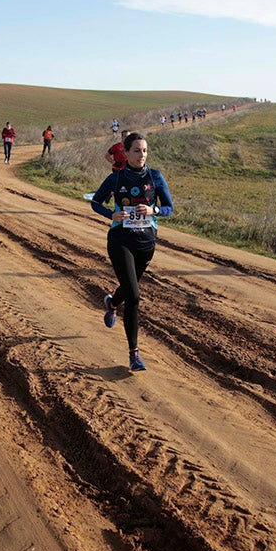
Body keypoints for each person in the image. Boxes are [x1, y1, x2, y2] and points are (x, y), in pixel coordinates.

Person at [90, 132, 174, 372]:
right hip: (120, 241)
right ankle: (134, 354)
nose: (142, 155)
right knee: (135, 296)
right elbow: (96, 202)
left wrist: (153, 209)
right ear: (125, 153)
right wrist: (111, 214)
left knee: (129, 289)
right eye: (137, 151)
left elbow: (169, 207)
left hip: (146, 243)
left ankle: (112, 303)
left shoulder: (155, 177)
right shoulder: (116, 179)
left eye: (145, 151)